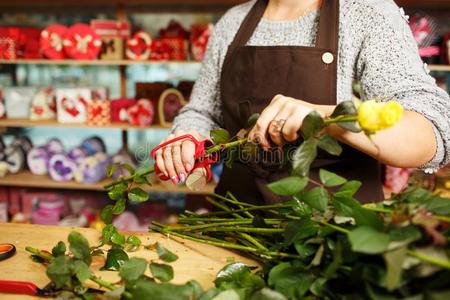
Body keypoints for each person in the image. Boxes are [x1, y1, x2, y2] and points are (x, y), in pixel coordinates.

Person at [154, 0, 450, 204]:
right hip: (235, 228)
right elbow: (203, 111)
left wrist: (329, 119)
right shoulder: (232, 23)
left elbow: (434, 133)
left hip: (330, 242)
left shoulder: (367, 12)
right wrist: (188, 135)